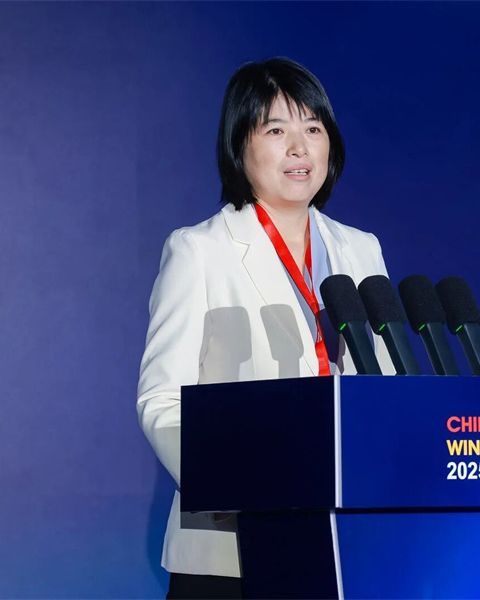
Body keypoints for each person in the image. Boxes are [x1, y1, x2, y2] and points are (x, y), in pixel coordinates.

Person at [137, 57, 393, 599]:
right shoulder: (200, 251)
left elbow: (385, 387)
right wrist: (236, 484)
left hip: (345, 545)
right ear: (240, 145)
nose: (300, 148)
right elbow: (162, 401)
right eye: (276, 130)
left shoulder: (361, 249)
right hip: (230, 552)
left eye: (313, 129)